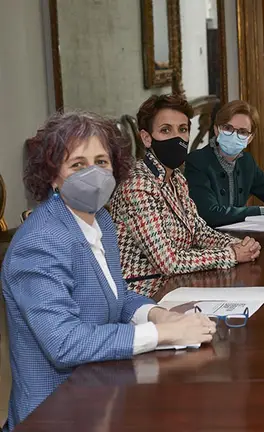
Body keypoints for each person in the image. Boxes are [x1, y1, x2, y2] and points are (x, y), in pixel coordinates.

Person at [1, 112, 217, 431]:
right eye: (77, 164)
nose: (93, 173)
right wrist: (162, 334)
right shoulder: (40, 241)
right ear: (52, 175)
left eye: (101, 162)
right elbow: (65, 343)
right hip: (55, 413)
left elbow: (115, 295)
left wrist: (158, 315)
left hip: (103, 393)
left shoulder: (99, 219)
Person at [110, 95, 261, 296]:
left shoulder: (177, 179)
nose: (177, 138)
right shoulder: (137, 186)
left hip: (182, 285)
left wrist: (237, 244)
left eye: (182, 129)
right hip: (146, 294)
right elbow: (168, 262)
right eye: (166, 130)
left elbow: (199, 231)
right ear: (146, 138)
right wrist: (231, 254)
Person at [185, 100, 264, 227]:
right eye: (228, 128)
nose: (234, 135)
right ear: (217, 129)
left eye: (242, 132)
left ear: (250, 138)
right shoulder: (197, 161)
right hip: (208, 235)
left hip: (238, 235)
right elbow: (208, 214)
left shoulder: (246, 162)